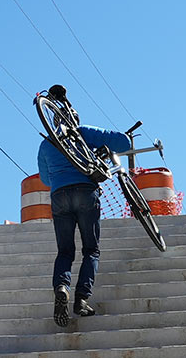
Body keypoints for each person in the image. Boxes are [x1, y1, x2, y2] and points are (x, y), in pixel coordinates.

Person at [36, 85, 134, 327]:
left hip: (59, 196)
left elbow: (45, 180)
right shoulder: (82, 133)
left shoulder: (46, 144)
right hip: (85, 192)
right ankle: (81, 299)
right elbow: (124, 143)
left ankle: (62, 286)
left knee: (65, 251)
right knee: (91, 250)